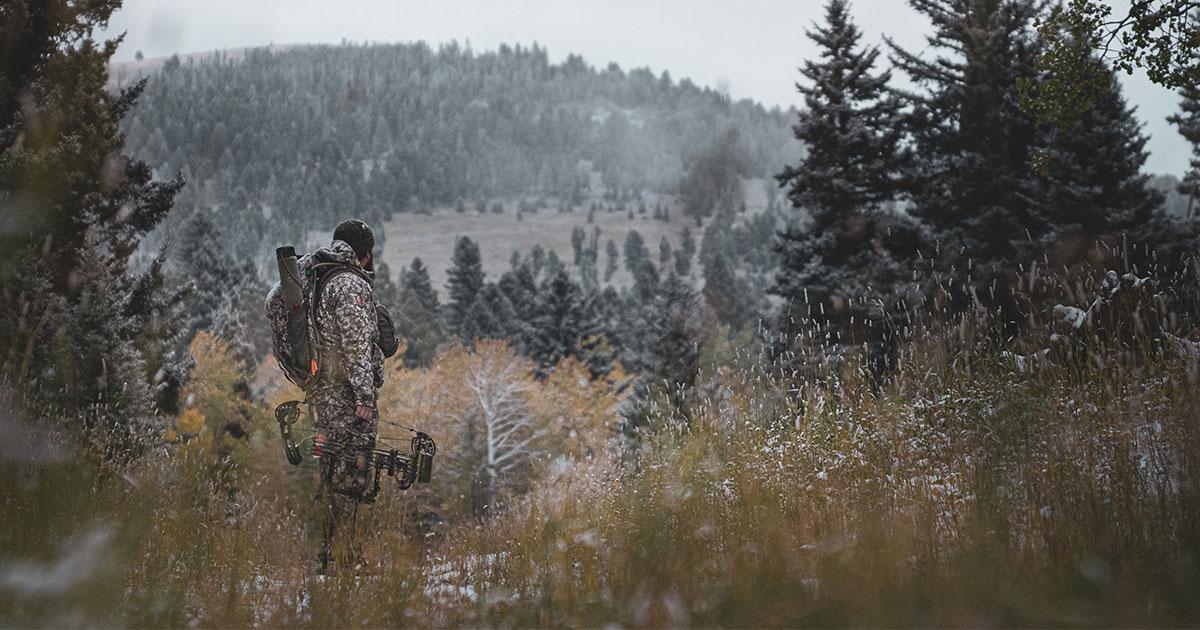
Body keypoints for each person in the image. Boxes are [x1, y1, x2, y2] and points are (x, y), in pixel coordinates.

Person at [306, 219, 386, 573]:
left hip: (324, 396)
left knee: (330, 472)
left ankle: (328, 554)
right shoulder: (349, 283)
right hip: (345, 397)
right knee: (349, 475)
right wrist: (365, 398)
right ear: (365, 254)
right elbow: (355, 344)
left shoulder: (321, 278)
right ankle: (343, 556)